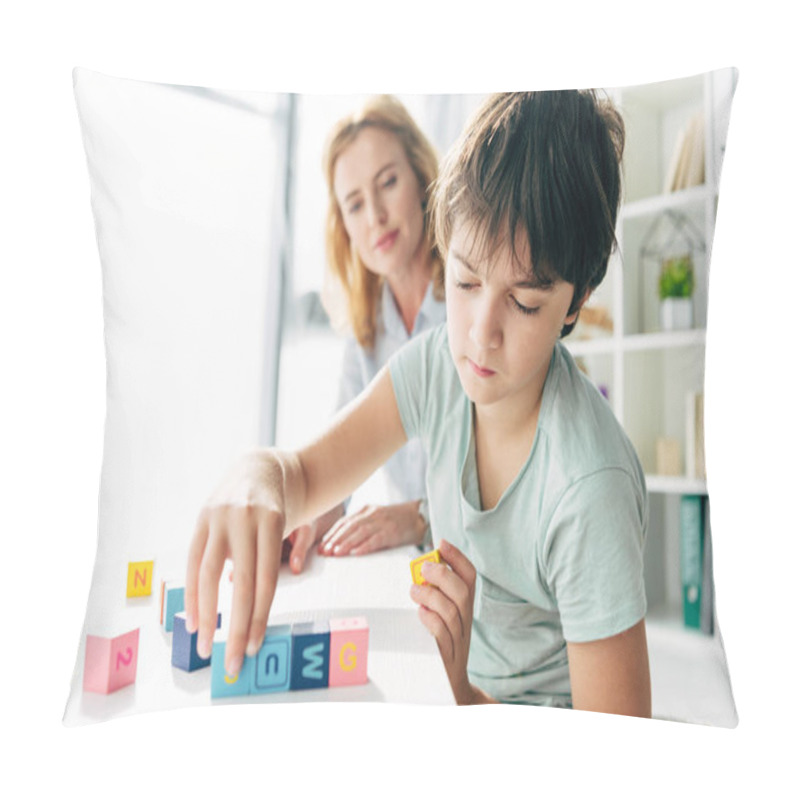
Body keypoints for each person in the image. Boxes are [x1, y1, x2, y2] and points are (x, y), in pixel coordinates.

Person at [185, 90, 651, 715]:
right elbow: (301, 473)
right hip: (450, 681)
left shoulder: (588, 488)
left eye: (525, 303)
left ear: (575, 300)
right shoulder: (436, 364)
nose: (480, 336)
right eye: (464, 281)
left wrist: (462, 693)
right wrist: (256, 475)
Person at [284, 95, 446, 574]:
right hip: (427, 579)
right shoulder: (368, 328)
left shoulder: (473, 294)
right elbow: (339, 466)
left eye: (388, 183)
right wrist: (311, 521)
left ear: (421, 179)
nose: (374, 215)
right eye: (355, 204)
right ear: (345, 226)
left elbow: (510, 470)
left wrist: (418, 517)